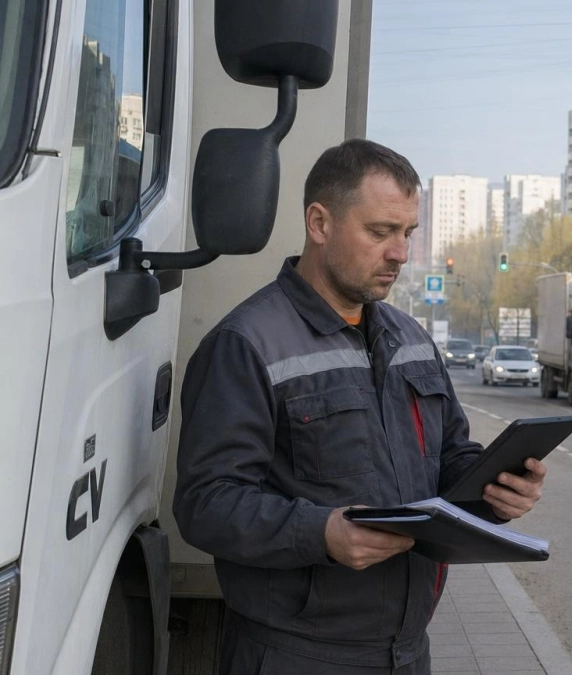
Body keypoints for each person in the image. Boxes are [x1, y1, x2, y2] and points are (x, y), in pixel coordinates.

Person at [173, 139, 547, 674]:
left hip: (407, 652)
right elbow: (205, 503)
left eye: (407, 234)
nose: (400, 253)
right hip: (294, 656)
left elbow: (450, 456)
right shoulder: (247, 343)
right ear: (319, 223)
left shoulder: (410, 338)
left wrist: (495, 490)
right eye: (380, 232)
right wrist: (320, 532)